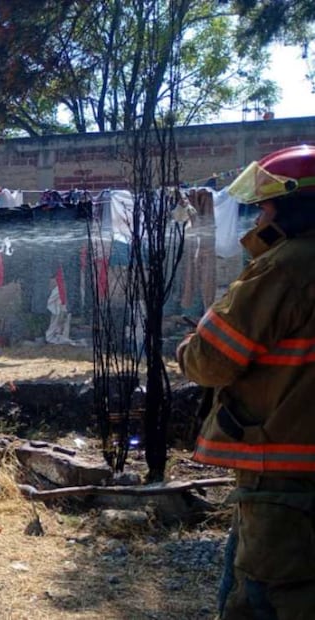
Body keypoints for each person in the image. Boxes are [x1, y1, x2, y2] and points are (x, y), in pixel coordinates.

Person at [177, 144, 315, 617]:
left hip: (285, 477)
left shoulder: (286, 266)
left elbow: (210, 359)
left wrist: (187, 346)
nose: (257, 219)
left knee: (264, 597)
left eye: (265, 207)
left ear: (293, 208)